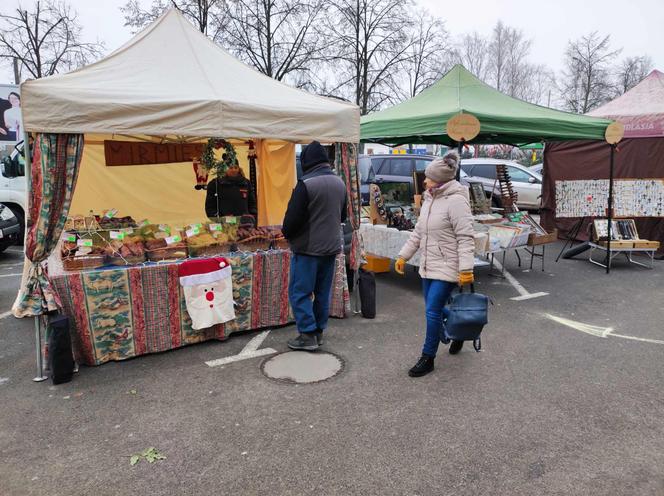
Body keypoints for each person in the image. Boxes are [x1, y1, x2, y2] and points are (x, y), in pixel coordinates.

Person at [394, 151, 475, 377]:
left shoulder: (457, 201)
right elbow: (418, 233)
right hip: (428, 265)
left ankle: (428, 357)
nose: (424, 180)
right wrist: (404, 256)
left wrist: (466, 269)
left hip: (448, 266)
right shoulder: (430, 199)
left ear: (439, 180)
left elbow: (465, 237)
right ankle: (459, 333)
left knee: (431, 312)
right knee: (435, 309)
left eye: (428, 177)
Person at [282, 141, 347, 351]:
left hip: (308, 248)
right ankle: (318, 331)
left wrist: (287, 234)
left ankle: (307, 333)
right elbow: (342, 215)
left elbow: (292, 220)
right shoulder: (340, 183)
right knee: (322, 292)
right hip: (331, 246)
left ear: (307, 160)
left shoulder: (306, 183)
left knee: (299, 292)